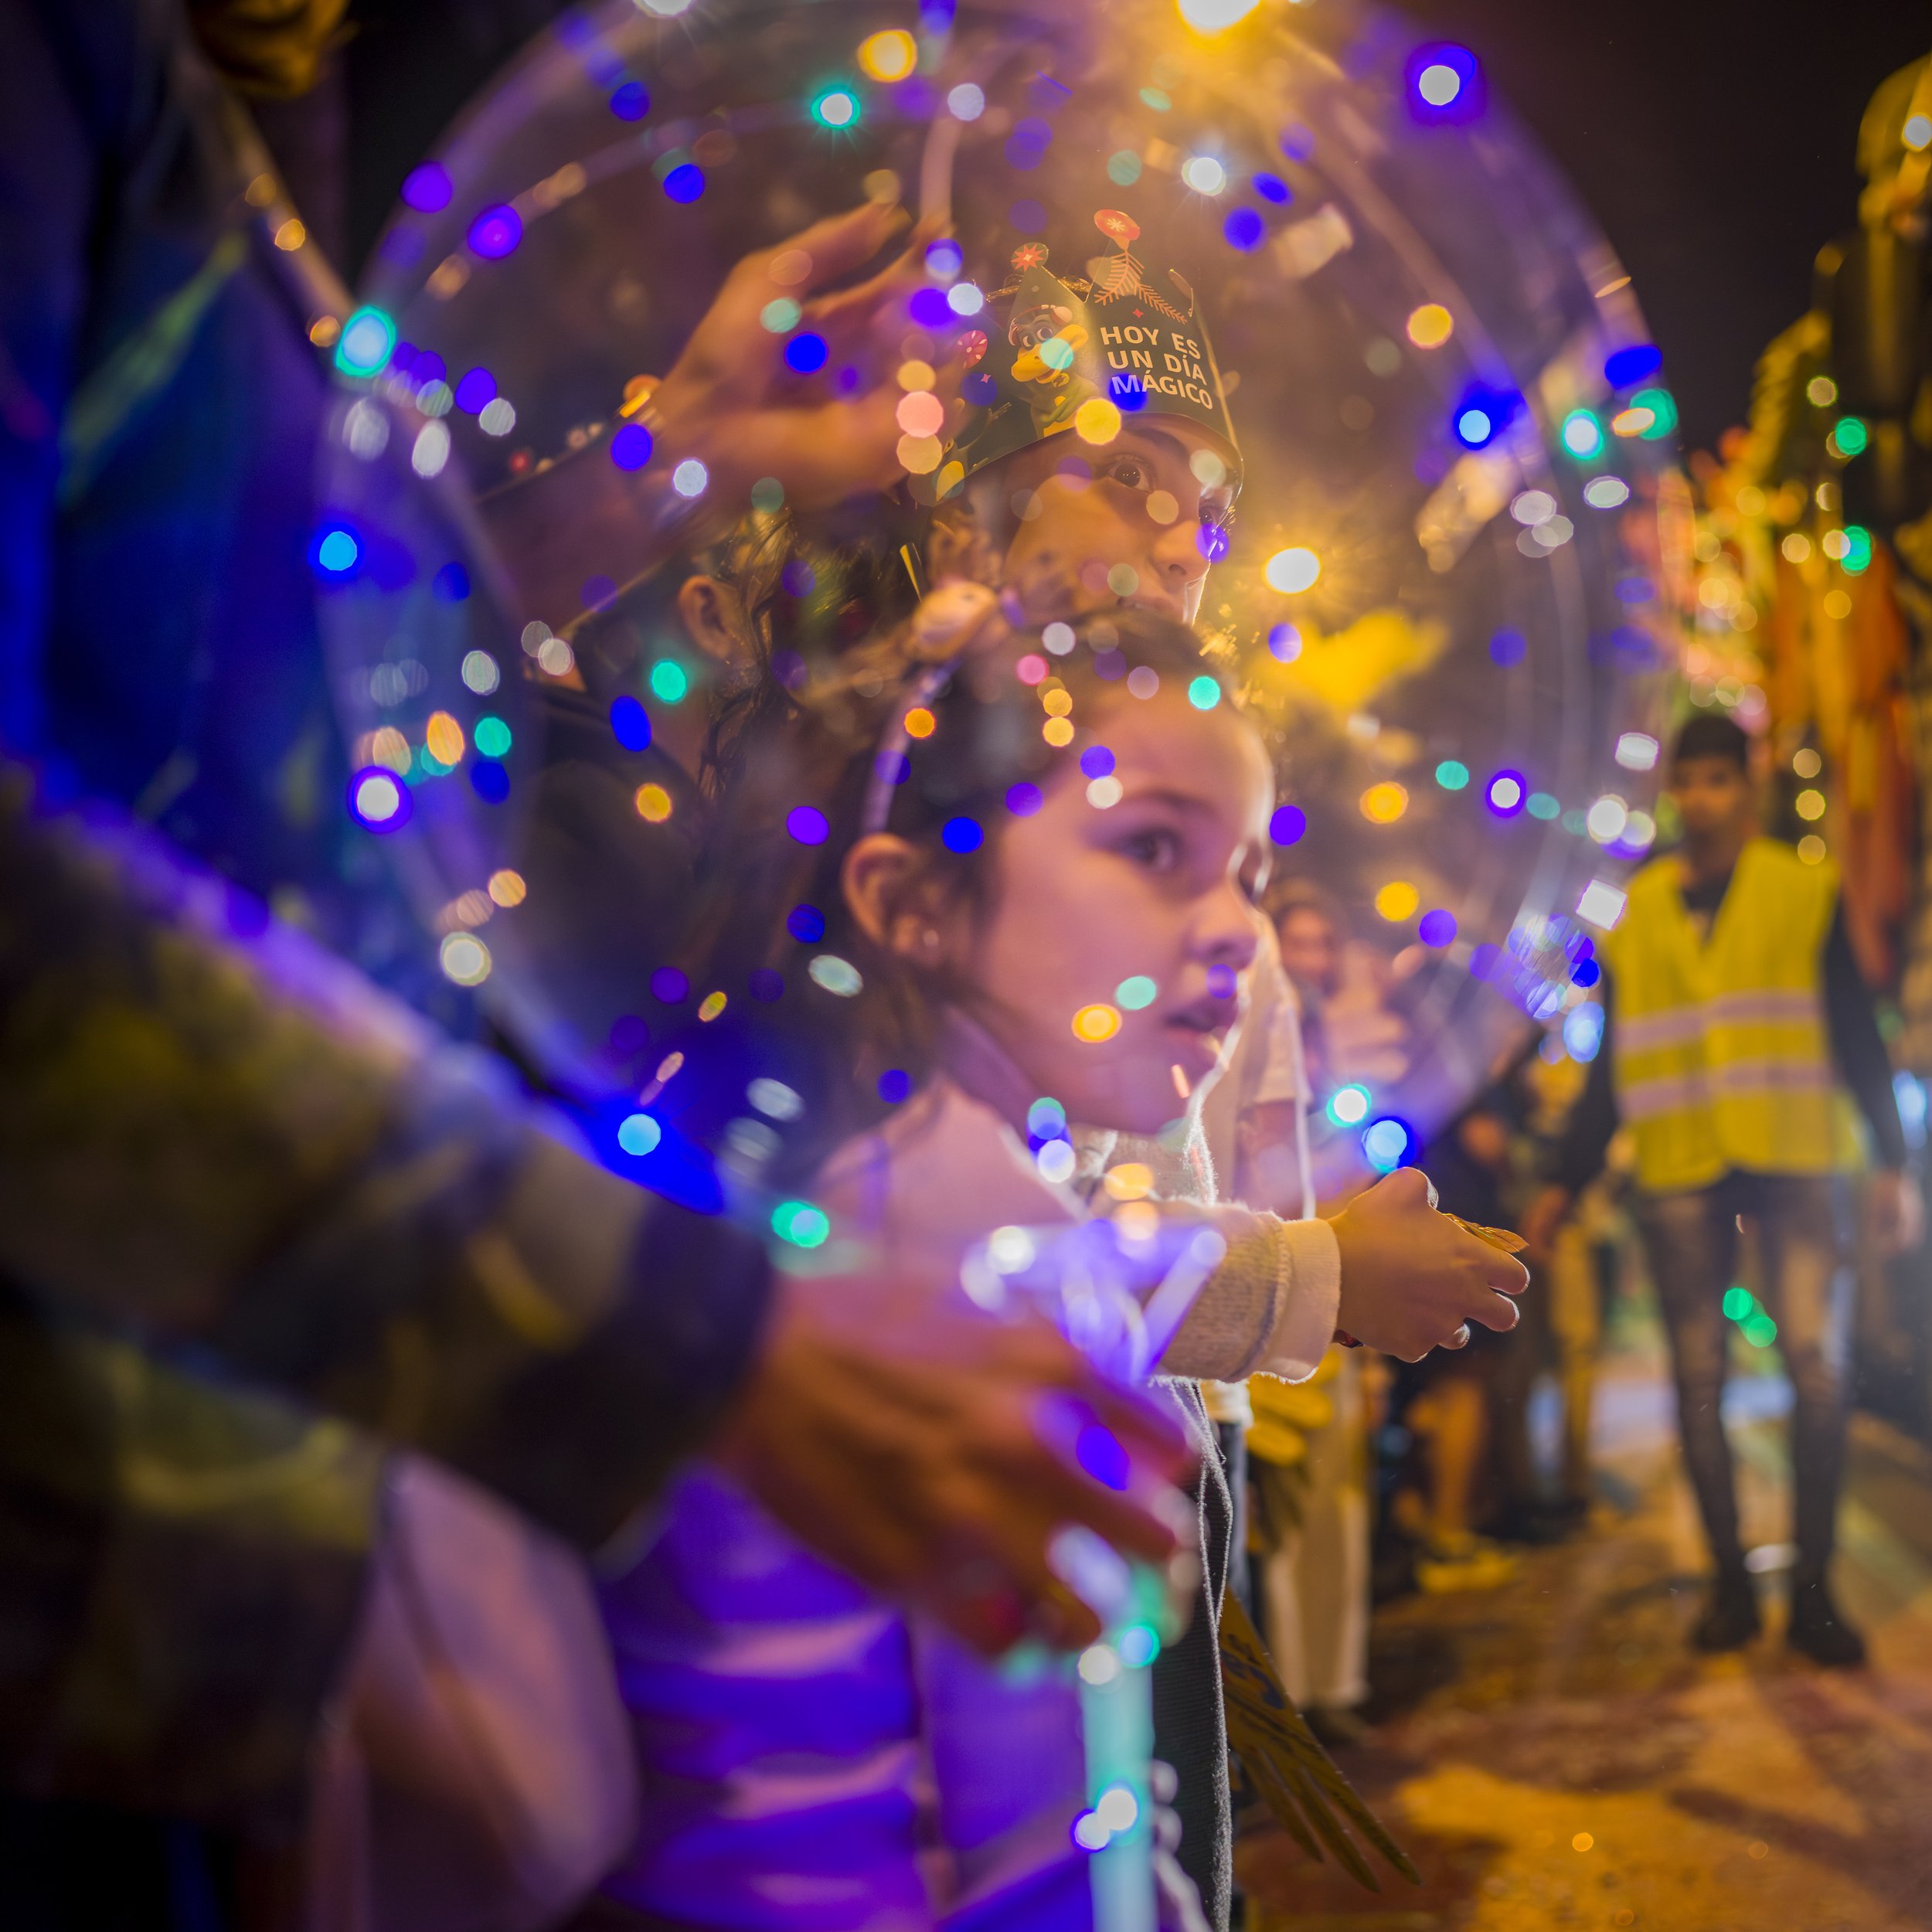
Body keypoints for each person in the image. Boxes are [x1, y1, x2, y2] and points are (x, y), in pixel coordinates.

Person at [0, 1, 1199, 1903]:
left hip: (198, 1596)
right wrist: (677, 1337)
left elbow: (286, 683)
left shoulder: (192, 91)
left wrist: (670, 459)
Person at [590, 601, 1520, 1930]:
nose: (1238, 936)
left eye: (1249, 875)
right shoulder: (973, 1247)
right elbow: (1051, 1856)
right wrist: (1317, 1271)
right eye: (1154, 848)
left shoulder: (837, 1178)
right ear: (910, 903)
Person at [1525, 710, 1923, 1665]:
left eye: (1716, 779)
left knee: (1814, 1370)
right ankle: (1731, 1590)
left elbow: (1854, 1031)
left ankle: (1817, 1593)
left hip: (1793, 1156)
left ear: (1745, 788)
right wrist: (1563, 1182)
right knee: (1698, 1379)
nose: (1699, 797)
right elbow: (1613, 1069)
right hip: (1678, 1164)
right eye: (1686, 780)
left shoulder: (1802, 889)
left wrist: (1892, 1164)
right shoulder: (1638, 911)